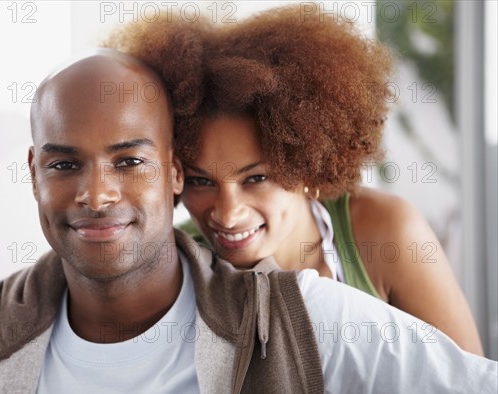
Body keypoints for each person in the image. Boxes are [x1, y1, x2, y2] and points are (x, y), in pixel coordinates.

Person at [0, 49, 497, 394]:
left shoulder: (306, 318)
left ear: (169, 173)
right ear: (34, 172)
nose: (97, 194)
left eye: (129, 161)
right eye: (64, 163)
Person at [109, 4, 484, 355]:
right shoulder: (174, 265)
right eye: (200, 181)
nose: (227, 213)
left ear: (306, 165)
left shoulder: (385, 231)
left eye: (256, 178)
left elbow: (472, 385)